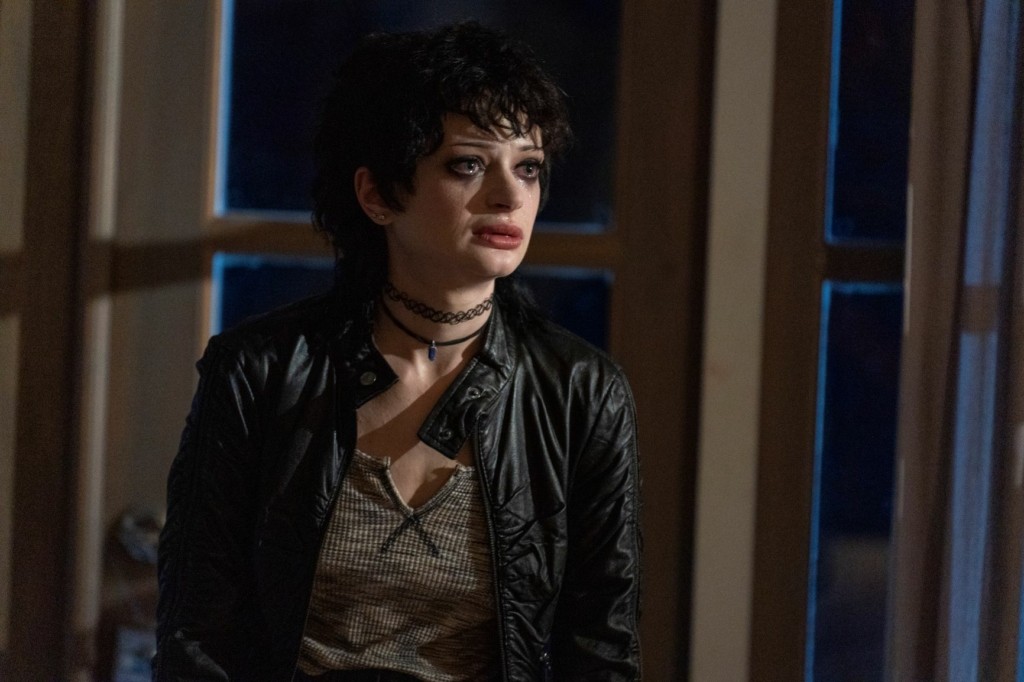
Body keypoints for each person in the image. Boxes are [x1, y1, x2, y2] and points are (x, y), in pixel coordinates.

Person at [154, 22, 641, 682]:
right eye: (469, 164)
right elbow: (197, 637)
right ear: (378, 194)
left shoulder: (581, 390)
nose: (510, 195)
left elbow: (602, 649)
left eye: (527, 167)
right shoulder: (259, 371)